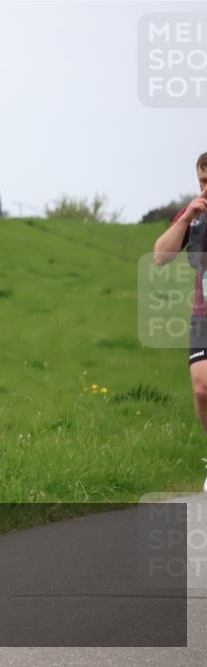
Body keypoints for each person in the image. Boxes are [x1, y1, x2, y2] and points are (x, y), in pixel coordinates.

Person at [152, 152, 207, 482]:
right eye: (202, 181)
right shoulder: (195, 215)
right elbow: (160, 256)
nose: (205, 187)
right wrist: (187, 217)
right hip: (203, 317)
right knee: (202, 390)